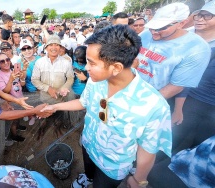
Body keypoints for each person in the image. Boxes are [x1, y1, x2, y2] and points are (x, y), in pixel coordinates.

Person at [41, 25, 172, 188]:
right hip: (88, 145)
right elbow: (83, 102)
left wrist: (139, 179)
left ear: (116, 67)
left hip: (112, 166)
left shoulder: (153, 105)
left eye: (91, 63)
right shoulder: (95, 81)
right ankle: (87, 178)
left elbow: (148, 149)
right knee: (88, 171)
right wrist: (55, 108)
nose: (86, 68)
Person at [148, 1, 215, 187]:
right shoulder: (168, 36)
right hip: (178, 98)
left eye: (207, 15)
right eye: (199, 14)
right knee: (174, 136)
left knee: (193, 144)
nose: (200, 19)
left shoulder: (198, 47)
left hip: (205, 105)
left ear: (181, 23)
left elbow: (181, 83)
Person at [136, 2, 211, 125]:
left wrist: (141, 106)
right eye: (152, 27)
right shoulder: (145, 34)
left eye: (162, 28)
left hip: (155, 102)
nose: (154, 32)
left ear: (181, 23)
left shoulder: (197, 49)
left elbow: (177, 86)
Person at [31, 35, 75, 137]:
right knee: (42, 117)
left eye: (57, 45)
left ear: (61, 48)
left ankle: (57, 129)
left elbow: (70, 78)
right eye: (51, 45)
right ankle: (41, 130)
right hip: (44, 98)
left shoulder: (66, 62)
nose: (54, 48)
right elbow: (34, 80)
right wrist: (48, 88)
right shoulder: (39, 62)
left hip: (60, 98)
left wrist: (65, 87)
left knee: (59, 117)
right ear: (46, 47)